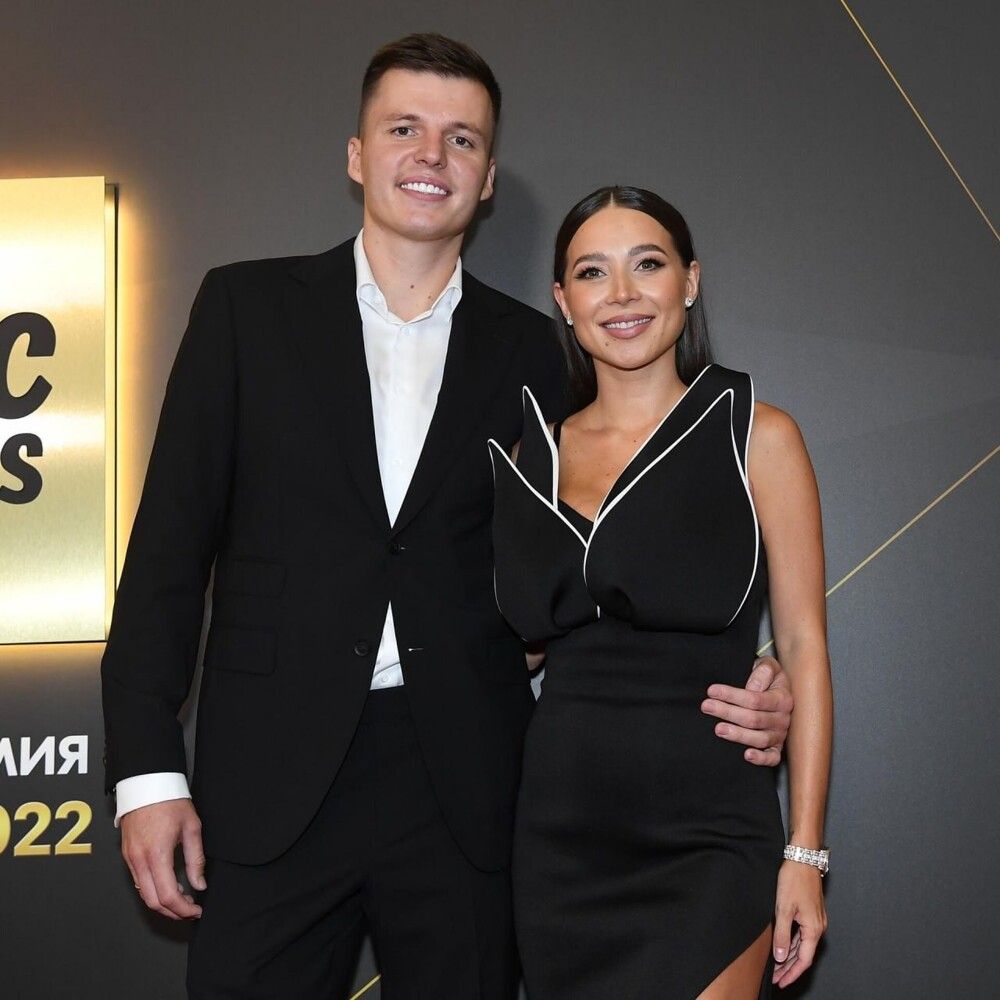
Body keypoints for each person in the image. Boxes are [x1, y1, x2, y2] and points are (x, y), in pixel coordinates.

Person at [102, 37, 794, 1000]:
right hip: (268, 777)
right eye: (404, 129)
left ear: (488, 177)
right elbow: (166, 560)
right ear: (357, 155)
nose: (432, 155)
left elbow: (621, 548)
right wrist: (146, 776)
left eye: (461, 138)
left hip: (471, 790)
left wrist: (757, 671)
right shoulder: (243, 309)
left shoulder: (543, 354)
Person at [489, 186, 833, 998]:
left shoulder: (758, 435)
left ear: (689, 281)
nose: (622, 294)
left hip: (711, 834)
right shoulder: (529, 456)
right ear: (563, 300)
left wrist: (805, 854)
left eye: (646, 265)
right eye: (592, 272)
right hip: (560, 840)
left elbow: (804, 647)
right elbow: (518, 646)